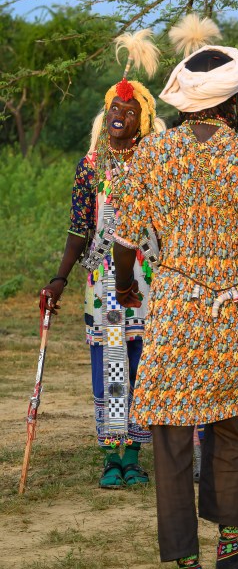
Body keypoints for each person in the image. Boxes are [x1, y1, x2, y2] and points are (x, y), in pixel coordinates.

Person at [113, 41, 238, 569]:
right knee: (231, 430)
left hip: (172, 308)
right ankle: (229, 544)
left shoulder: (152, 154)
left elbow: (125, 240)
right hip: (229, 311)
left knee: (171, 438)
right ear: (236, 97)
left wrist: (127, 283)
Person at [41, 30, 165, 489]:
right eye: (115, 108)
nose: (120, 115)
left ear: (144, 120)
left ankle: (134, 452)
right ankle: (111, 455)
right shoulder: (90, 166)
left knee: (140, 362)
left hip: (148, 278)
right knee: (109, 363)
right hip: (103, 280)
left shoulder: (155, 164)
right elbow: (78, 230)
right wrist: (59, 279)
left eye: (130, 111)